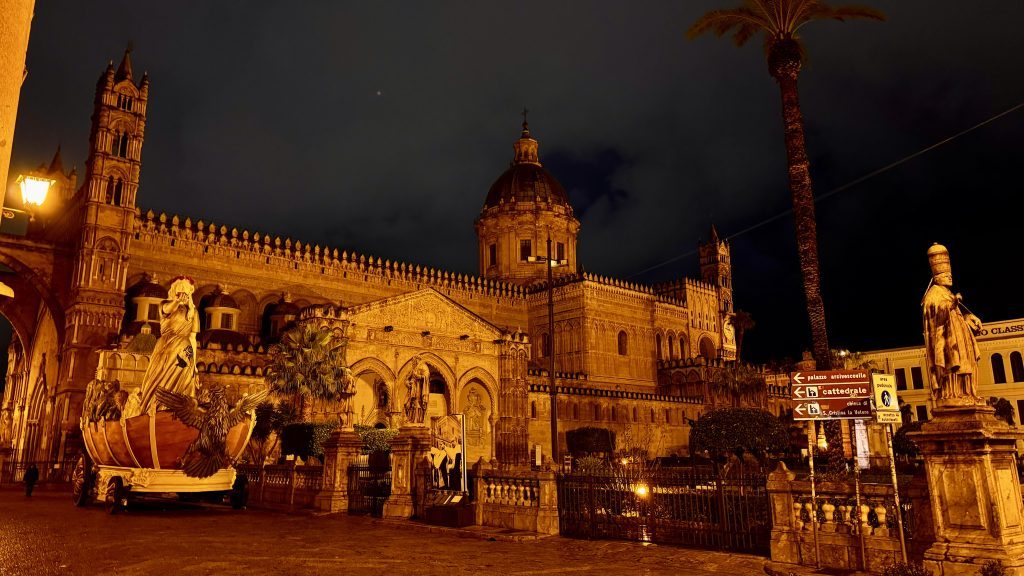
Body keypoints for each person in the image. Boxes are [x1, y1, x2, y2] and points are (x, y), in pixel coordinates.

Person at [922, 244, 982, 403]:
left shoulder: (947, 293)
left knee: (966, 364)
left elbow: (956, 314)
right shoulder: (933, 294)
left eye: (950, 274)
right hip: (947, 342)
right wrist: (952, 303)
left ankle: (967, 393)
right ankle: (952, 394)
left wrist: (969, 318)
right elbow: (936, 314)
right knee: (954, 364)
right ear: (936, 278)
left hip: (959, 339)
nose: (950, 277)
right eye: (945, 275)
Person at [138, 276, 200, 412]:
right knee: (159, 379)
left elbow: (193, 338)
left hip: (185, 352)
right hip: (167, 347)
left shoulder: (193, 312)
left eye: (186, 288)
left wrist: (194, 364)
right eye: (180, 287)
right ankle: (154, 410)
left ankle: (181, 413)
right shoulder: (165, 304)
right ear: (174, 290)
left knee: (185, 381)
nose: (183, 291)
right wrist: (177, 301)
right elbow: (167, 309)